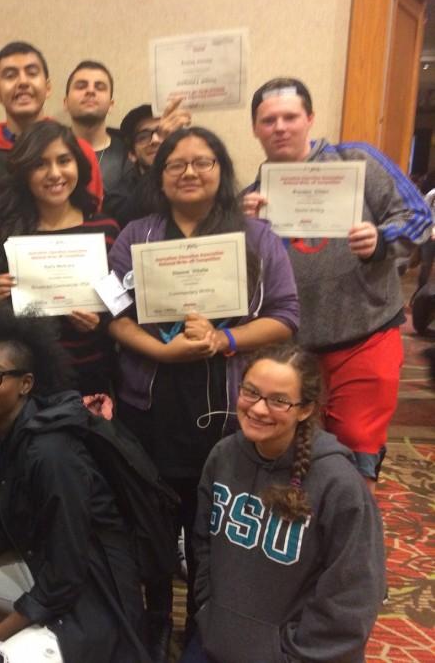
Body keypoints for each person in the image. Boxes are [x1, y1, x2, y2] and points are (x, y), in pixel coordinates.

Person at [108, 126, 299, 655]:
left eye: (204, 162)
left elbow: (285, 316)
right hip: (148, 404)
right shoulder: (138, 236)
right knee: (149, 518)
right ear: (160, 175)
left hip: (226, 408)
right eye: (176, 164)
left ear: (222, 171)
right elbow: (115, 317)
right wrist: (163, 352)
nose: (190, 172)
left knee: (208, 527)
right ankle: (153, 617)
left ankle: (201, 623)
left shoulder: (257, 238)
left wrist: (224, 339)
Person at [0, 304, 147, 663]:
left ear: (26, 384)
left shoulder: (53, 453)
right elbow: (11, 530)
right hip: (41, 572)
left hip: (93, 604)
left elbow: (66, 577)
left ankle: (25, 642)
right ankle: (25, 636)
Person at [242, 77, 433, 490]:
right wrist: (244, 231)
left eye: (290, 116)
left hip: (362, 335)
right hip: (289, 349)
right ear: (255, 128)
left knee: (355, 458)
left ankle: (349, 541)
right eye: (268, 119)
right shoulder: (251, 198)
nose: (280, 127)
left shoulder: (359, 162)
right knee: (287, 455)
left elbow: (419, 217)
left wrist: (381, 241)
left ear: (309, 119)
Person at [183, 343, 385, 663]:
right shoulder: (223, 455)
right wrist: (209, 612)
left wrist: (294, 654)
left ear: (304, 409)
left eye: (279, 400)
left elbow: (355, 591)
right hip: (216, 639)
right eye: (250, 392)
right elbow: (202, 543)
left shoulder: (339, 485)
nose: (259, 409)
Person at [0, 119, 119, 394]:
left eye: (64, 160)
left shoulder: (105, 229)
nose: (55, 173)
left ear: (78, 165)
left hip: (90, 375)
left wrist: (99, 322)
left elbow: (121, 304)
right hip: (22, 381)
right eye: (40, 164)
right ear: (23, 172)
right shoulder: (3, 233)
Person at [0, 41, 103, 235]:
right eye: (10, 75)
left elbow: (92, 219)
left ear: (48, 87)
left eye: (32, 73)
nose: (23, 82)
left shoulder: (80, 151)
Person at [104, 100, 191, 226]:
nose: (155, 140)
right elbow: (126, 219)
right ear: (132, 154)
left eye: (162, 133)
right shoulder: (118, 196)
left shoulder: (193, 179)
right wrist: (165, 155)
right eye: (143, 137)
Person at [63, 60, 128, 192]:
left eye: (99, 87)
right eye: (81, 86)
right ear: (66, 103)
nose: (90, 91)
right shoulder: (50, 150)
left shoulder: (129, 153)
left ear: (111, 105)